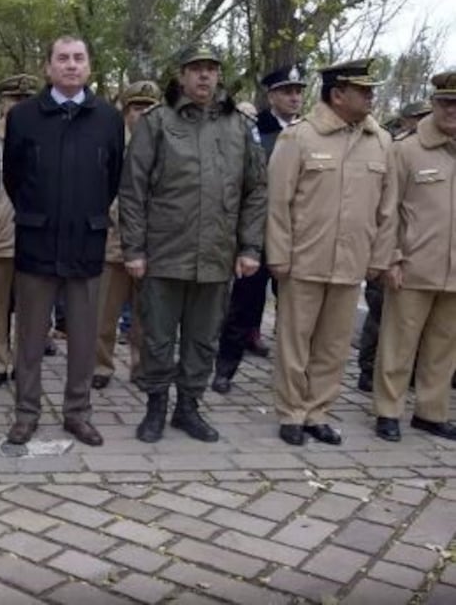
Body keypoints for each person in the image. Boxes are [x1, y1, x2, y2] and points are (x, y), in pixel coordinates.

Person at [121, 44, 266, 444]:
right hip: (164, 254)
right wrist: (133, 249)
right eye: (195, 69)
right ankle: (155, 407)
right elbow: (132, 190)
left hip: (217, 256)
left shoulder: (237, 126)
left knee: (203, 340)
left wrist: (250, 247)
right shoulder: (157, 122)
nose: (204, 76)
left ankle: (188, 408)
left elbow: (256, 191)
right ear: (181, 75)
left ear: (219, 75)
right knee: (157, 338)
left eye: (211, 69)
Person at [267, 58, 396, 446]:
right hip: (303, 258)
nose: (371, 96)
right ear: (337, 94)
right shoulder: (300, 137)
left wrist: (379, 257)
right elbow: (278, 201)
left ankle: (317, 413)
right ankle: (291, 413)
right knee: (294, 342)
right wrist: (278, 253)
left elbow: (386, 209)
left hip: (351, 261)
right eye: (363, 90)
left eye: (372, 89)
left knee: (334, 346)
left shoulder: (381, 141)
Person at [3, 35, 125, 446]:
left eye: (78, 58)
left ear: (89, 66)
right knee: (31, 336)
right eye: (62, 58)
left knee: (84, 337)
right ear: (48, 66)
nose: (71, 65)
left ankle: (77, 412)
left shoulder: (109, 118)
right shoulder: (23, 116)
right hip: (37, 240)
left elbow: (112, 178)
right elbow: (13, 178)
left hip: (86, 243)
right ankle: (26, 412)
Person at [212, 63, 307, 394]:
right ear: (271, 96)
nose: (294, 98)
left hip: (300, 237)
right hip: (260, 235)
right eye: (287, 91)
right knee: (244, 306)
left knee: (295, 312)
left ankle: (291, 375)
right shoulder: (254, 132)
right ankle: (225, 368)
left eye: (298, 92)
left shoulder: (309, 133)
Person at [372, 70, 456, 442]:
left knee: (443, 348)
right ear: (433, 104)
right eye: (446, 103)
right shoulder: (406, 149)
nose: (452, 110)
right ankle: (388, 411)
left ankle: (430, 412)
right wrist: (390, 257)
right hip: (413, 266)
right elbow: (387, 210)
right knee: (398, 345)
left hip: (455, 272)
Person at [356, 98, 434, 392]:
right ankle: (368, 369)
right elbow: (387, 204)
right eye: (421, 116)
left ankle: (407, 374)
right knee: (380, 315)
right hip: (391, 245)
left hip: (426, 255)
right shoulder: (397, 147)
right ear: (408, 120)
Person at [91, 80, 160, 391]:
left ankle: (142, 366)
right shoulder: (110, 143)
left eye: (149, 108)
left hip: (151, 242)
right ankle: (100, 365)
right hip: (113, 241)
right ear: (125, 111)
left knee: (146, 314)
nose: (142, 114)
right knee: (104, 311)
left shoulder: (165, 145)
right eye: (136, 107)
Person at [0, 73, 40, 390]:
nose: (18, 105)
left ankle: (24, 362)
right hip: (0, 230)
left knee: (32, 307)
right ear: (2, 102)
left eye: (25, 99)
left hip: (36, 234)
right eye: (13, 99)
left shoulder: (47, 137)